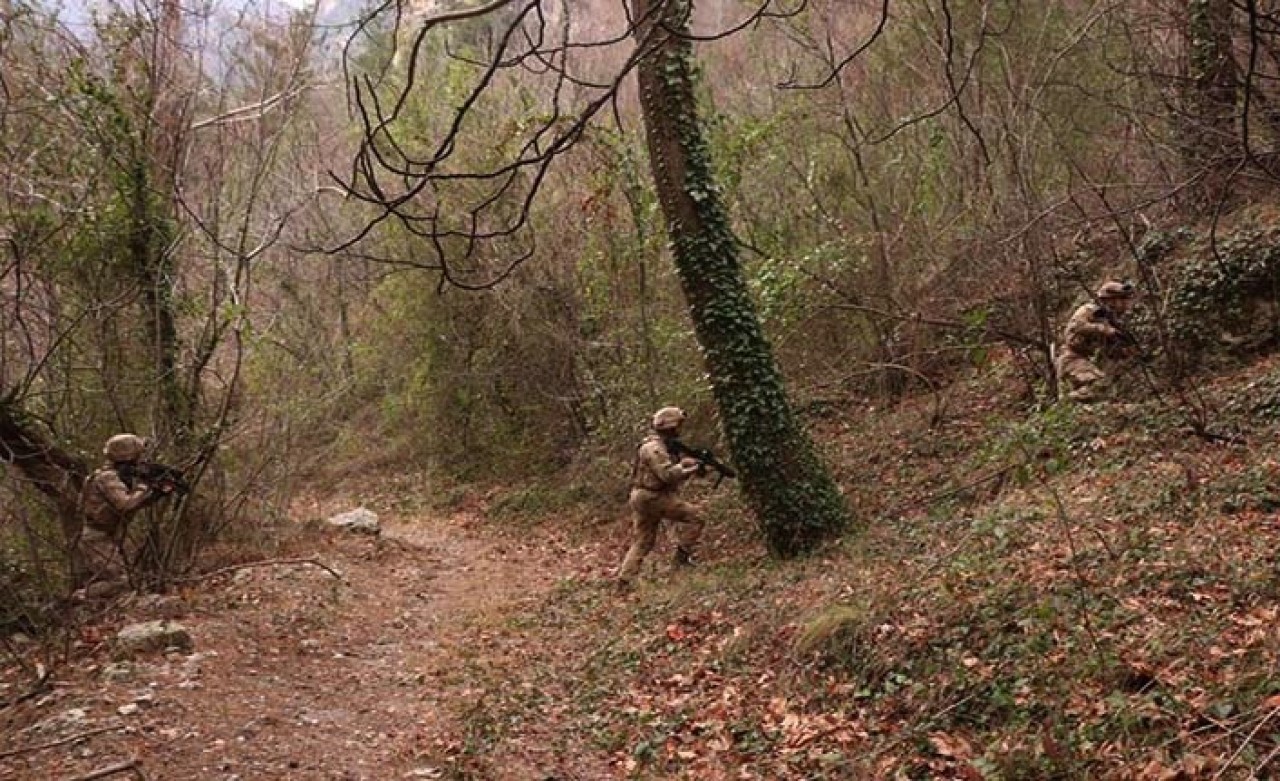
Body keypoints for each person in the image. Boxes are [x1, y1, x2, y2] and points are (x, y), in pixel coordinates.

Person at [73, 433, 173, 599]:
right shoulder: (107, 478)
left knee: (121, 581)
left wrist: (156, 493)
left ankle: (94, 603)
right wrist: (143, 487)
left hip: (106, 535)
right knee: (119, 582)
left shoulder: (111, 476)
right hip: (97, 537)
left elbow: (133, 505)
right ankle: (79, 597)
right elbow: (125, 504)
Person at [616, 406, 705, 588]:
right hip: (652, 497)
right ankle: (681, 558)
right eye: (678, 425)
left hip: (643, 496)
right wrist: (691, 468)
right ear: (670, 427)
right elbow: (667, 475)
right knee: (697, 517)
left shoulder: (660, 446)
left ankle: (625, 581)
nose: (680, 429)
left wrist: (686, 465)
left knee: (643, 541)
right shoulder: (654, 448)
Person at [1055, 280, 1139, 403]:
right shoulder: (1089, 310)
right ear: (1111, 300)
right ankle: (1065, 402)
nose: (1125, 304)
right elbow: (1075, 326)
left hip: (1085, 360)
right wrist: (1105, 330)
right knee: (1099, 385)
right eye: (1122, 300)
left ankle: (1070, 405)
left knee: (1102, 392)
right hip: (1071, 358)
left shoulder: (1110, 319)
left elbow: (1110, 351)